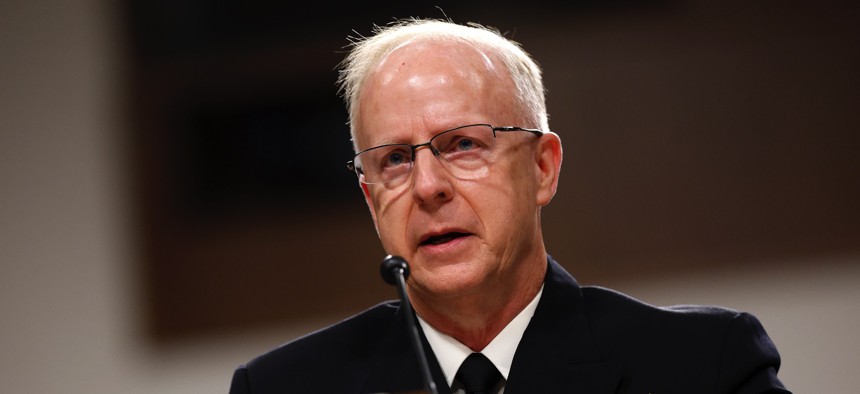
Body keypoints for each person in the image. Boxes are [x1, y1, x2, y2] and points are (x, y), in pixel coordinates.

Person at [229, 18, 789, 393]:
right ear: (370, 196)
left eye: (463, 144)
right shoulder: (283, 387)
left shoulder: (703, 368)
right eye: (395, 159)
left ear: (543, 167)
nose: (428, 186)